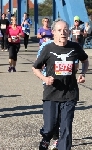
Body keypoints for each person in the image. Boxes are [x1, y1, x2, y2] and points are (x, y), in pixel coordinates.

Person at [32, 18, 89, 150]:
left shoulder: (74, 47)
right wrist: (45, 79)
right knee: (49, 127)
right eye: (59, 30)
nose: (63, 33)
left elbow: (85, 61)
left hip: (70, 93)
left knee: (66, 128)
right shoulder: (47, 48)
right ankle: (46, 138)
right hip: (51, 93)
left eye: (65, 30)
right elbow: (35, 68)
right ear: (53, 32)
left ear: (69, 32)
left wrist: (83, 73)